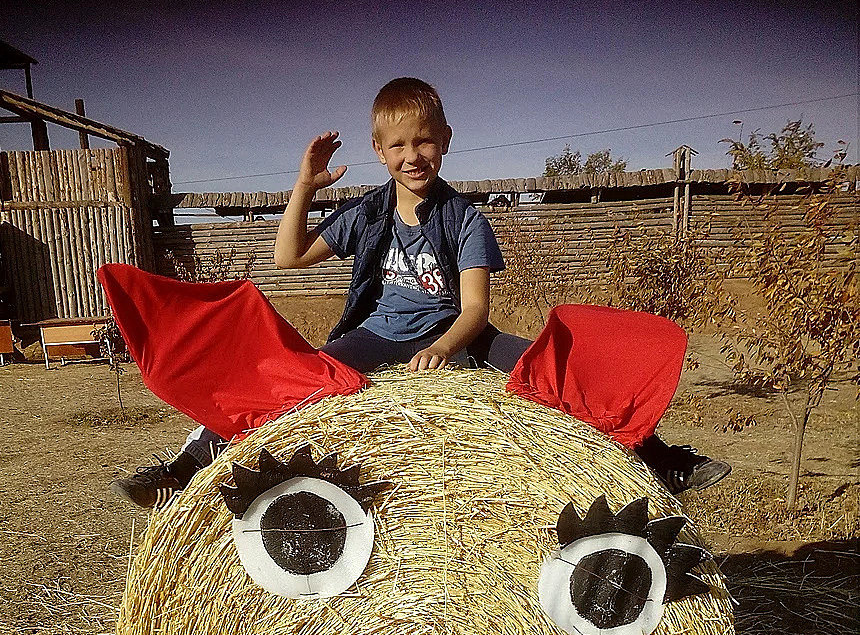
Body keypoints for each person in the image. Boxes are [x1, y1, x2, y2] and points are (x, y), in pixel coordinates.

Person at [112, 78, 729, 508]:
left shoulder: (465, 219)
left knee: (554, 370)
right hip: (375, 334)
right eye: (399, 145)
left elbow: (474, 309)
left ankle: (659, 459)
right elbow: (287, 257)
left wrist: (444, 348)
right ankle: (186, 468)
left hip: (461, 334)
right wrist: (303, 184)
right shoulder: (367, 213)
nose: (414, 155)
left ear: (446, 139)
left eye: (424, 141)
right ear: (379, 150)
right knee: (288, 383)